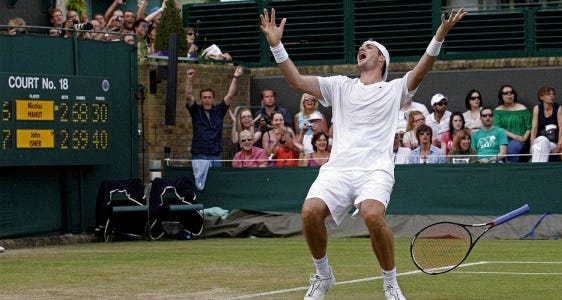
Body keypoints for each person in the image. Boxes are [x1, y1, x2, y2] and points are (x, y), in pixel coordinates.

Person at [260, 7, 466, 300]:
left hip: (375, 169)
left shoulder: (395, 89)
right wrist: (276, 45)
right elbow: (296, 81)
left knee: (371, 215)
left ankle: (391, 283)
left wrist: (440, 35)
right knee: (309, 212)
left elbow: (423, 68)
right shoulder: (339, 86)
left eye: (369, 47)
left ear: (381, 59)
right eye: (361, 47)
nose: (362, 49)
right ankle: (323, 275)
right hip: (339, 169)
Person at [185, 66, 243, 190]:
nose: (207, 100)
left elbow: (230, 95)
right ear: (201, 100)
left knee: (216, 183)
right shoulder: (195, 110)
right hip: (199, 154)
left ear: (213, 99)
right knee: (199, 184)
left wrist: (235, 77)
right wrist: (189, 79)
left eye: (209, 97)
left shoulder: (219, 110)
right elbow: (188, 96)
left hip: (215, 154)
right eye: (204, 98)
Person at [493, 85, 532, 162]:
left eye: (511, 92)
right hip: (503, 139)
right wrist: (515, 137)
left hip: (521, 140)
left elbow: (529, 126)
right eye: (506, 93)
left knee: (512, 148)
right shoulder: (497, 111)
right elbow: (498, 128)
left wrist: (524, 138)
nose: (509, 95)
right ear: (501, 96)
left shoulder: (523, 109)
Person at [529, 86, 562, 162]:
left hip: (553, 143)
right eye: (548, 94)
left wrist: (559, 143)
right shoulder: (537, 108)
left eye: (553, 94)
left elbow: (561, 127)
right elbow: (534, 128)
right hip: (539, 141)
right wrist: (531, 145)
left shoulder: (558, 108)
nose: (551, 96)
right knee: (542, 141)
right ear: (541, 97)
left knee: (538, 148)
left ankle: (536, 169)